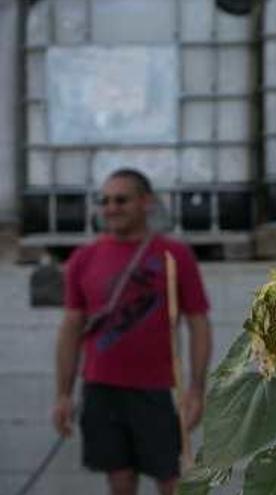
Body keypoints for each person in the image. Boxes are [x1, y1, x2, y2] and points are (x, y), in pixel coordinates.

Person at [53, 169, 212, 495]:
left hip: (156, 388)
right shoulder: (84, 258)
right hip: (101, 387)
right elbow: (71, 328)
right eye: (105, 201)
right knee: (120, 480)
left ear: (146, 202)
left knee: (170, 479)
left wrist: (197, 388)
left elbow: (198, 323)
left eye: (121, 200)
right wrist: (64, 393)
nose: (111, 208)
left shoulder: (175, 255)